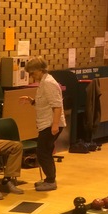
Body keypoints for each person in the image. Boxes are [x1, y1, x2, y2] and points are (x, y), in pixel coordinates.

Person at [20, 57, 66, 191]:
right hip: (46, 123)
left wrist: (55, 126)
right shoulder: (44, 81)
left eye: (33, 73)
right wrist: (31, 101)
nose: (32, 76)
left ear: (40, 70)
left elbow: (57, 106)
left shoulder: (49, 83)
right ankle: (49, 179)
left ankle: (51, 181)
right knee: (44, 151)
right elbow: (44, 103)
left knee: (42, 152)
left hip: (51, 123)